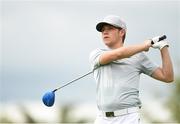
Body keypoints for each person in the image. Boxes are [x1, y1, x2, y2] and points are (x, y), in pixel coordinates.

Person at [89, 15, 174, 124]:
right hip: (102, 119)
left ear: (121, 32)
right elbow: (118, 54)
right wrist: (143, 45)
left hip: (128, 118)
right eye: (103, 30)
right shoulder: (96, 54)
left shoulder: (138, 56)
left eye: (110, 28)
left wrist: (163, 48)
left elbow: (167, 77)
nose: (105, 32)